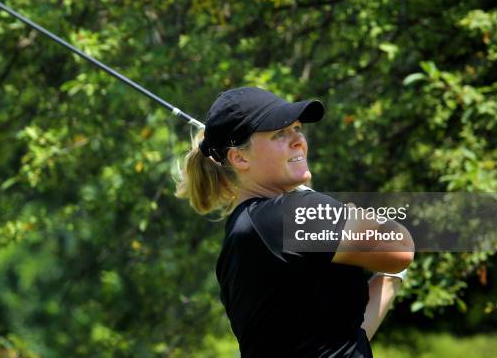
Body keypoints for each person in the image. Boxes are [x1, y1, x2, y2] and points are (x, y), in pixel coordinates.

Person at [176, 87, 414, 357]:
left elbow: (344, 340)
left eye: (297, 128)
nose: (298, 140)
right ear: (240, 158)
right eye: (279, 133)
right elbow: (400, 248)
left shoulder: (244, 230)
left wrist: (391, 277)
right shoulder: (287, 216)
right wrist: (355, 215)